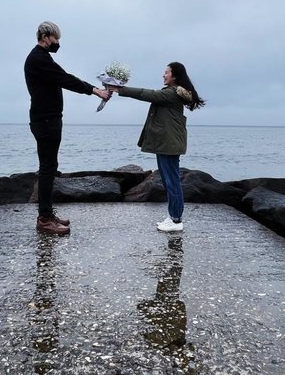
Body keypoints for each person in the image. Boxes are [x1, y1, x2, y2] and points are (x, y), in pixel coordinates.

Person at [24, 21, 110, 235]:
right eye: (56, 39)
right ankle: (44, 219)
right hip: (45, 120)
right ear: (45, 37)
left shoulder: (43, 58)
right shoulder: (38, 59)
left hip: (47, 118)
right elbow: (66, 79)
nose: (58, 43)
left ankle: (47, 213)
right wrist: (94, 91)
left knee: (50, 167)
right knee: (47, 168)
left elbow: (62, 78)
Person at [108, 62, 205, 232]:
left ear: (174, 76)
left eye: (166, 72)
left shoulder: (171, 94)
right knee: (170, 181)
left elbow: (147, 94)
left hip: (169, 144)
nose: (163, 75)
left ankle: (176, 220)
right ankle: (173, 217)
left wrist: (120, 89)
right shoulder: (172, 92)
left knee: (172, 181)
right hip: (166, 142)